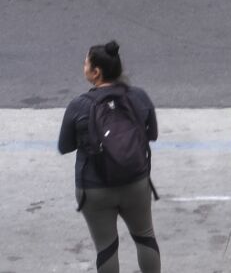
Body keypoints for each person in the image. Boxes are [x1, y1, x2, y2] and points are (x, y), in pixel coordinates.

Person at [57, 40, 160, 273]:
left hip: (94, 188)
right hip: (135, 182)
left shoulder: (79, 106)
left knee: (106, 247)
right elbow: (151, 134)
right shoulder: (139, 97)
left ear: (96, 72)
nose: (83, 67)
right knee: (145, 237)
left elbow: (64, 146)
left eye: (85, 63)